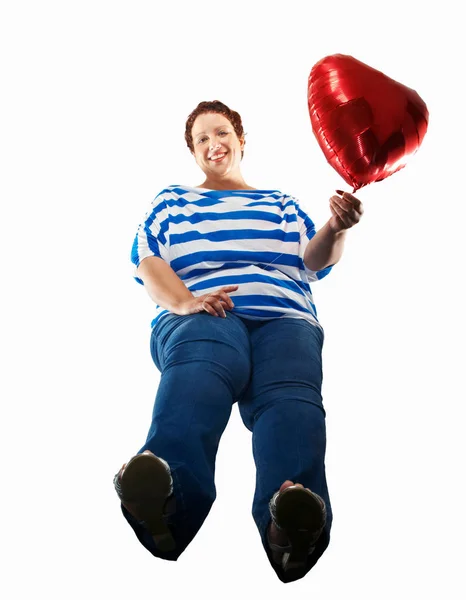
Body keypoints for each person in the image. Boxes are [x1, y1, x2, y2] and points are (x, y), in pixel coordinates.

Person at [113, 100, 364, 583]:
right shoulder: (172, 201)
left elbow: (313, 262)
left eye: (221, 132)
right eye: (202, 139)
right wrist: (185, 302)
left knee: (290, 401)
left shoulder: (279, 203)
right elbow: (147, 260)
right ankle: (166, 493)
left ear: (241, 139)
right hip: (206, 310)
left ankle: (291, 518)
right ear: (193, 152)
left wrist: (336, 226)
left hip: (285, 317)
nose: (213, 144)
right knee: (203, 365)